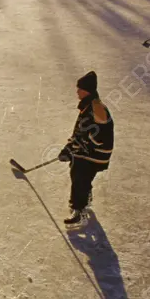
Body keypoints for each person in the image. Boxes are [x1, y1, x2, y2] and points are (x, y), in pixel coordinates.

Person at [58, 72, 113, 226]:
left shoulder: (95, 108)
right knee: (80, 174)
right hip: (92, 152)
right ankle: (85, 198)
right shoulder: (90, 105)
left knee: (79, 176)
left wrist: (72, 149)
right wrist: (69, 148)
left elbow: (95, 136)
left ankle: (79, 212)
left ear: (86, 91)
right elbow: (80, 133)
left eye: (79, 89)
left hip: (95, 153)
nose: (77, 91)